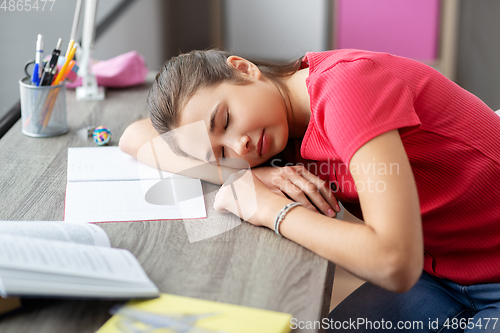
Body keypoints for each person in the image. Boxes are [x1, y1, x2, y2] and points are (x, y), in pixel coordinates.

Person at [119, 49, 500, 332]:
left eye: (226, 120)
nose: (240, 148)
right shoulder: (280, 123)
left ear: (244, 69)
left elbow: (394, 263)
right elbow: (133, 137)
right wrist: (246, 176)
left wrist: (272, 211)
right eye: (220, 152)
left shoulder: (346, 91)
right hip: (441, 272)